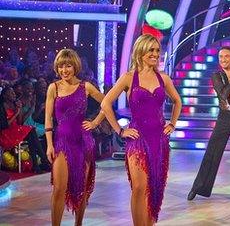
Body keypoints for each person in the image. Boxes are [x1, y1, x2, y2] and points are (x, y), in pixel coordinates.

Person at [100, 34, 181, 225]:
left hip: (159, 139)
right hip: (137, 137)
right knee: (138, 187)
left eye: (157, 51)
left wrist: (172, 123)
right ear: (141, 51)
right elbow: (105, 103)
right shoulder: (129, 77)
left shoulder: (164, 78)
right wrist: (120, 131)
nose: (155, 54)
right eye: (151, 50)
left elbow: (178, 101)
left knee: (153, 186)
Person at [187, 46, 230, 203]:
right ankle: (198, 188)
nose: (223, 59)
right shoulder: (216, 76)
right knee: (212, 153)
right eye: (221, 57)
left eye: (226, 56)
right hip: (224, 118)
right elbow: (224, 94)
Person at [45, 49, 106, 226]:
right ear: (57, 68)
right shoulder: (53, 88)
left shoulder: (85, 87)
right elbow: (48, 118)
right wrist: (49, 145)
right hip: (62, 142)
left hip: (83, 142)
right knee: (58, 189)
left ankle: (78, 224)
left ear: (75, 66)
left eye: (68, 65)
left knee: (81, 189)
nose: (65, 70)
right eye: (61, 66)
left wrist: (95, 122)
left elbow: (106, 103)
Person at [0, 85, 49, 173]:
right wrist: (16, 112)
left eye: (13, 92)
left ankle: (37, 166)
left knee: (31, 136)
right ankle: (43, 161)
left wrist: (19, 109)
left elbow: (20, 122)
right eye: (11, 93)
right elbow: (5, 124)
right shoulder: (2, 106)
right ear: (5, 96)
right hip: (6, 132)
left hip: (17, 130)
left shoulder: (15, 104)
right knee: (31, 131)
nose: (14, 94)